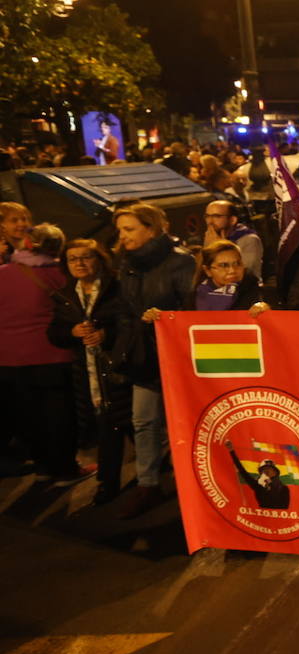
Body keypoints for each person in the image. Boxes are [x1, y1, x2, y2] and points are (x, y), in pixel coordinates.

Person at [110, 202, 198, 518]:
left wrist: (165, 321)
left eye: (129, 229)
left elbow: (192, 308)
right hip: (142, 355)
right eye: (120, 230)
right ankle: (148, 484)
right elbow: (123, 304)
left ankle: (191, 482)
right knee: (143, 421)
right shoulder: (128, 262)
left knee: (184, 421)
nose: (123, 236)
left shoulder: (181, 262)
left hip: (176, 355)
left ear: (151, 229)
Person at [0, 223, 90, 487]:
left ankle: (43, 467)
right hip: (52, 355)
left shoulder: (4, 273)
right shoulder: (62, 275)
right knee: (59, 416)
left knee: (28, 415)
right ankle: (65, 470)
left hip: (7, 359)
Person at [47, 238, 132, 504]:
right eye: (73, 259)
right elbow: (55, 333)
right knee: (112, 426)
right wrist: (71, 332)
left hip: (118, 370)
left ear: (99, 260)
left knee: (125, 424)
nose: (80, 263)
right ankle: (111, 482)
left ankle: (112, 484)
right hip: (87, 374)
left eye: (86, 257)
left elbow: (131, 323)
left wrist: (107, 335)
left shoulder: (116, 288)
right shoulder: (66, 295)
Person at [189, 240, 269, 313]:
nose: (232, 270)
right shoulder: (195, 296)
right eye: (224, 265)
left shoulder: (251, 288)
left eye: (237, 264)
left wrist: (264, 310)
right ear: (208, 270)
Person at [203, 200, 264, 279]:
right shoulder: (210, 238)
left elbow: (246, 273)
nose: (209, 221)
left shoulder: (249, 239)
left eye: (216, 216)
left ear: (232, 220)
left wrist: (219, 247)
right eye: (207, 216)